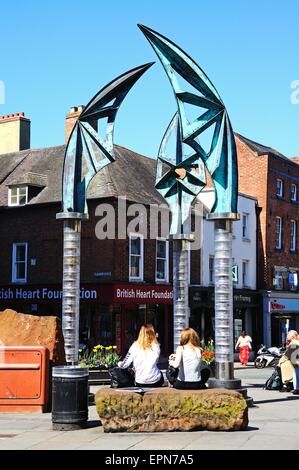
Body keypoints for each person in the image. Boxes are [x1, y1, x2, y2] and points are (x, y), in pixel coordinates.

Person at [284, 330, 299, 395]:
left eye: (288, 335)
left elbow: (290, 354)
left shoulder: (294, 343)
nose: (287, 337)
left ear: (292, 336)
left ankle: (297, 389)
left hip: (296, 363)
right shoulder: (294, 342)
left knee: (296, 375)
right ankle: (297, 388)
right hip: (295, 363)